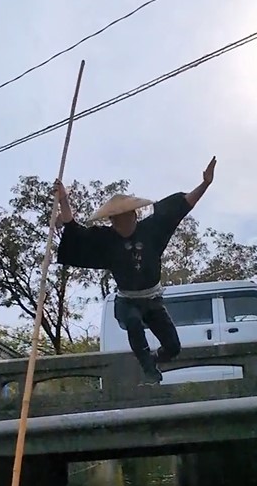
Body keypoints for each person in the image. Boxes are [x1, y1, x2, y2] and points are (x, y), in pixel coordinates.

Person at [56, 157, 216, 385]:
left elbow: (181, 208)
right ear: (111, 221)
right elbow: (74, 231)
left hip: (152, 299)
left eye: (124, 219)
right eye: (115, 221)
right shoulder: (105, 239)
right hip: (127, 302)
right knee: (132, 321)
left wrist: (205, 184)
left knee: (173, 346)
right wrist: (63, 200)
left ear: (134, 215)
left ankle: (155, 359)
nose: (120, 225)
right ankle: (148, 368)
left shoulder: (152, 229)